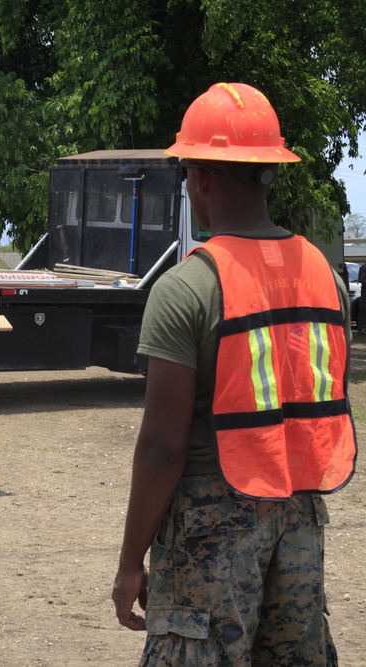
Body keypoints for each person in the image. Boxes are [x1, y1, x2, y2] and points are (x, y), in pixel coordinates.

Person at [112, 82, 356, 665]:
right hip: (299, 519)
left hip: (209, 530)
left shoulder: (187, 288)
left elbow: (164, 449)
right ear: (269, 171)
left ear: (200, 177)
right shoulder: (325, 277)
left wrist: (129, 562)